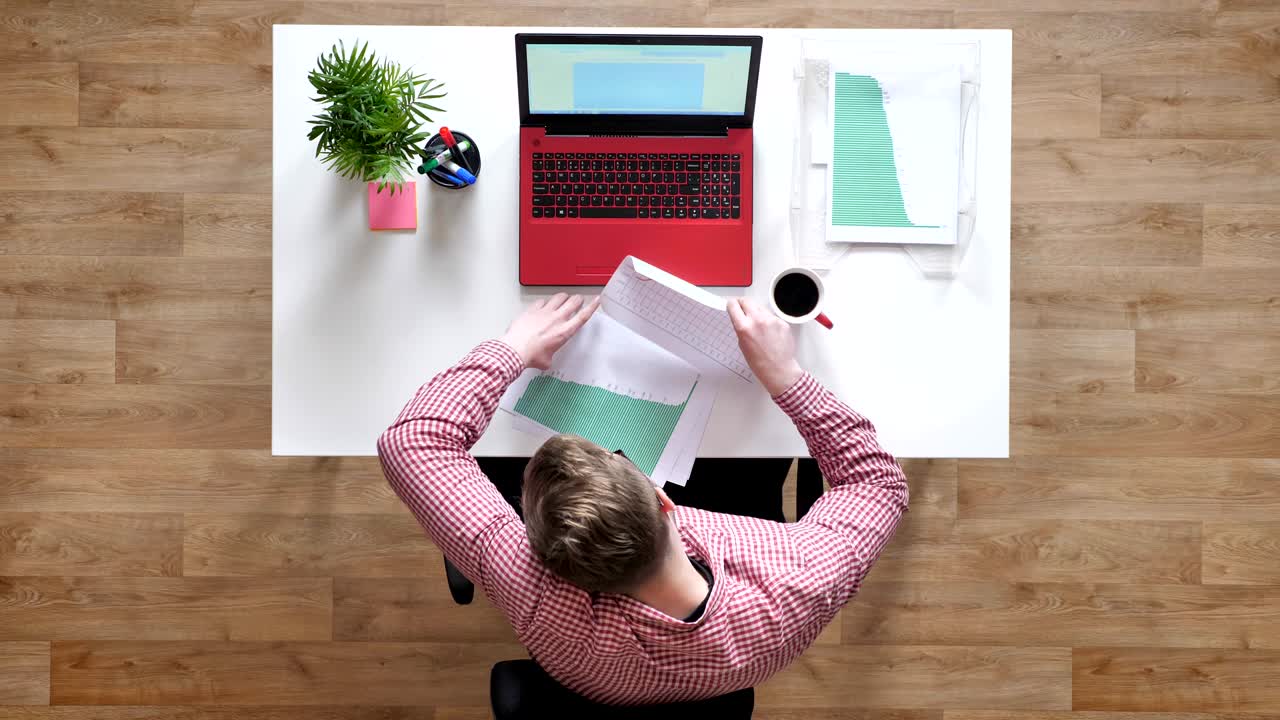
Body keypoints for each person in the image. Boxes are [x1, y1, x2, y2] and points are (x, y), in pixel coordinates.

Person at [378, 293, 909, 706]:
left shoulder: (534, 595)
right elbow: (877, 484)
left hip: (598, 678)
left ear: (540, 554)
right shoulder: (799, 583)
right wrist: (785, 376)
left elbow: (411, 442)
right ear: (663, 500)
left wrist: (511, 348)